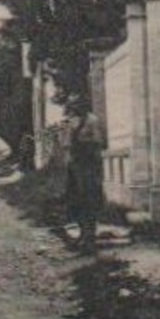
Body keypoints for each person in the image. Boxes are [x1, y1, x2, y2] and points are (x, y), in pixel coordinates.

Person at [65, 102, 106, 254]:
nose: (75, 108)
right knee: (75, 201)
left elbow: (98, 142)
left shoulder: (92, 120)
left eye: (78, 103)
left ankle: (90, 238)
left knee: (90, 200)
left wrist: (86, 146)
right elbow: (67, 144)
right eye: (73, 106)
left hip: (89, 165)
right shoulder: (71, 121)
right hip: (75, 166)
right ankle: (82, 234)